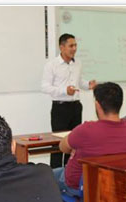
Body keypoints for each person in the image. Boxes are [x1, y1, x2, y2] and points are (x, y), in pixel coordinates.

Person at [55, 82, 126, 197]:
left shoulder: (86, 129)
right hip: (113, 184)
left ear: (97, 105)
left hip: (78, 184)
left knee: (43, 177)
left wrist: (75, 149)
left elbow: (62, 147)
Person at [41, 33, 97, 168]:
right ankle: (55, 173)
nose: (74, 48)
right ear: (62, 47)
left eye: (75, 45)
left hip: (76, 107)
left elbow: (79, 82)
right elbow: (45, 86)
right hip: (60, 108)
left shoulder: (77, 63)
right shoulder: (52, 65)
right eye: (71, 46)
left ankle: (70, 171)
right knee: (57, 144)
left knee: (74, 142)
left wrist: (88, 85)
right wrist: (64, 91)